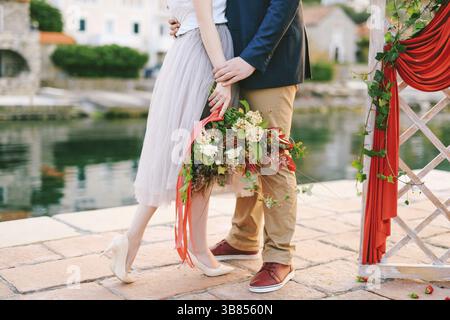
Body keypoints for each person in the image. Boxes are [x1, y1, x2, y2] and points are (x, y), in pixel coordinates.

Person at [169, 0, 311, 293]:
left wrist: (252, 58)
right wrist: (188, 20)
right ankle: (243, 238)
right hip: (227, 60)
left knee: (272, 158)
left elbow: (283, 5)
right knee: (243, 155)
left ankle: (279, 256)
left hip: (269, 61)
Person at [102, 0, 236, 282]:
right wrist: (223, 77)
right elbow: (204, 20)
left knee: (194, 156)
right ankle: (182, 248)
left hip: (195, 51)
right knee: (198, 155)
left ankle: (134, 242)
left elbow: (185, 14)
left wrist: (179, 22)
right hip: (206, 54)